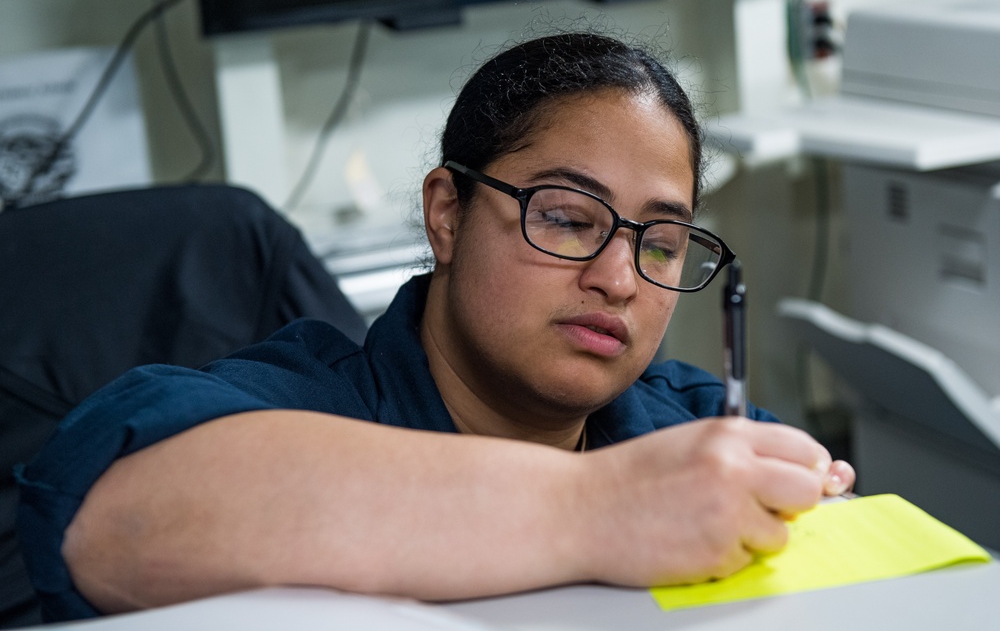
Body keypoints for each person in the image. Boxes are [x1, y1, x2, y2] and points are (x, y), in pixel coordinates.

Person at [17, 31, 854, 622]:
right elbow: (106, 517)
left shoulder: (695, 426)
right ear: (447, 214)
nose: (617, 277)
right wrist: (598, 509)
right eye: (566, 218)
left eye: (661, 243)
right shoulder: (305, 404)